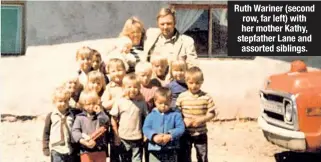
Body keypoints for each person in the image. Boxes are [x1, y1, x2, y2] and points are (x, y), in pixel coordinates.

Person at [176, 67, 217, 162]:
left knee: (202, 156)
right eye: (191, 83)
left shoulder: (206, 97)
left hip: (201, 132)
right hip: (185, 132)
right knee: (185, 157)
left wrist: (201, 120)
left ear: (202, 82)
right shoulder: (182, 97)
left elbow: (212, 113)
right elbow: (177, 113)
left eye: (197, 83)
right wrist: (183, 121)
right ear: (186, 81)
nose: (194, 86)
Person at [110, 74, 149, 162]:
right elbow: (113, 119)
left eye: (135, 87)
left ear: (139, 88)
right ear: (124, 88)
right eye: (129, 87)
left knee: (137, 159)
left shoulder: (142, 102)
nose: (132, 89)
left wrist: (146, 134)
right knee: (124, 159)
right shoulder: (120, 102)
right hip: (123, 137)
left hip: (137, 138)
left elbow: (147, 118)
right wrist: (116, 135)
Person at [142, 87, 185, 162]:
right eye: (160, 103)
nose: (163, 106)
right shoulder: (151, 115)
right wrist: (154, 136)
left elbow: (181, 128)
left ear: (171, 101)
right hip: (155, 148)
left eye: (166, 103)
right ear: (155, 101)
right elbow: (146, 128)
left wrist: (170, 135)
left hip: (171, 148)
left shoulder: (176, 115)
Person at [42, 86, 80, 162]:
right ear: (54, 101)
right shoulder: (51, 116)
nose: (63, 103)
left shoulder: (72, 114)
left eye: (65, 101)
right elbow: (46, 133)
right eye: (60, 101)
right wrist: (45, 147)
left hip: (70, 149)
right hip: (56, 149)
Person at [72, 91, 109, 162]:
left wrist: (99, 112)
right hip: (86, 150)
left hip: (100, 149)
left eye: (94, 103)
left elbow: (106, 121)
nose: (91, 106)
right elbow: (75, 131)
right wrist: (83, 141)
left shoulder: (100, 115)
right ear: (83, 105)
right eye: (88, 104)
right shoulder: (79, 117)